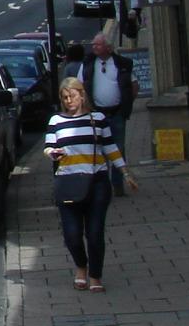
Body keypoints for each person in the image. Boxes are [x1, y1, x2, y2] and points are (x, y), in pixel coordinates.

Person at [46, 76, 137, 292]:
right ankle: (81, 266)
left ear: (82, 95)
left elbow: (110, 148)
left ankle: (95, 276)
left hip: (97, 182)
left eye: (72, 96)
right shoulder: (56, 121)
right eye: (64, 97)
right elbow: (48, 147)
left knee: (95, 233)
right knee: (72, 235)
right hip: (68, 182)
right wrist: (53, 153)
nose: (68, 101)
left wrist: (125, 172)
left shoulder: (98, 119)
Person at [82, 33, 137, 195]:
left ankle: (118, 185)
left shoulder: (121, 64)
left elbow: (134, 85)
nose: (94, 47)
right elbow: (80, 85)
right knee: (99, 150)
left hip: (117, 113)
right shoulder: (89, 63)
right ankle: (103, 186)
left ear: (108, 47)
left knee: (118, 149)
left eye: (98, 44)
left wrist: (127, 103)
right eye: (93, 44)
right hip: (98, 114)